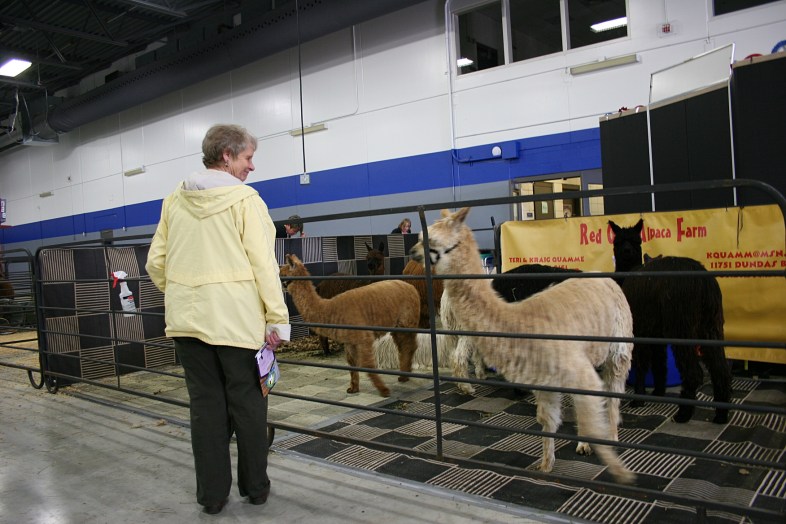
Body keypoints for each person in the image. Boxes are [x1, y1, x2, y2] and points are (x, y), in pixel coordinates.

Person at [145, 124, 290, 515]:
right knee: (248, 405)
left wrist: (181, 292)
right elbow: (264, 265)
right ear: (227, 155)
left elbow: (155, 262)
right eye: (247, 158)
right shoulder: (247, 201)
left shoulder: (175, 199)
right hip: (236, 324)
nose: (252, 167)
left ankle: (211, 496)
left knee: (205, 408)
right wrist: (277, 319)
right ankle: (255, 488)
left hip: (187, 322)